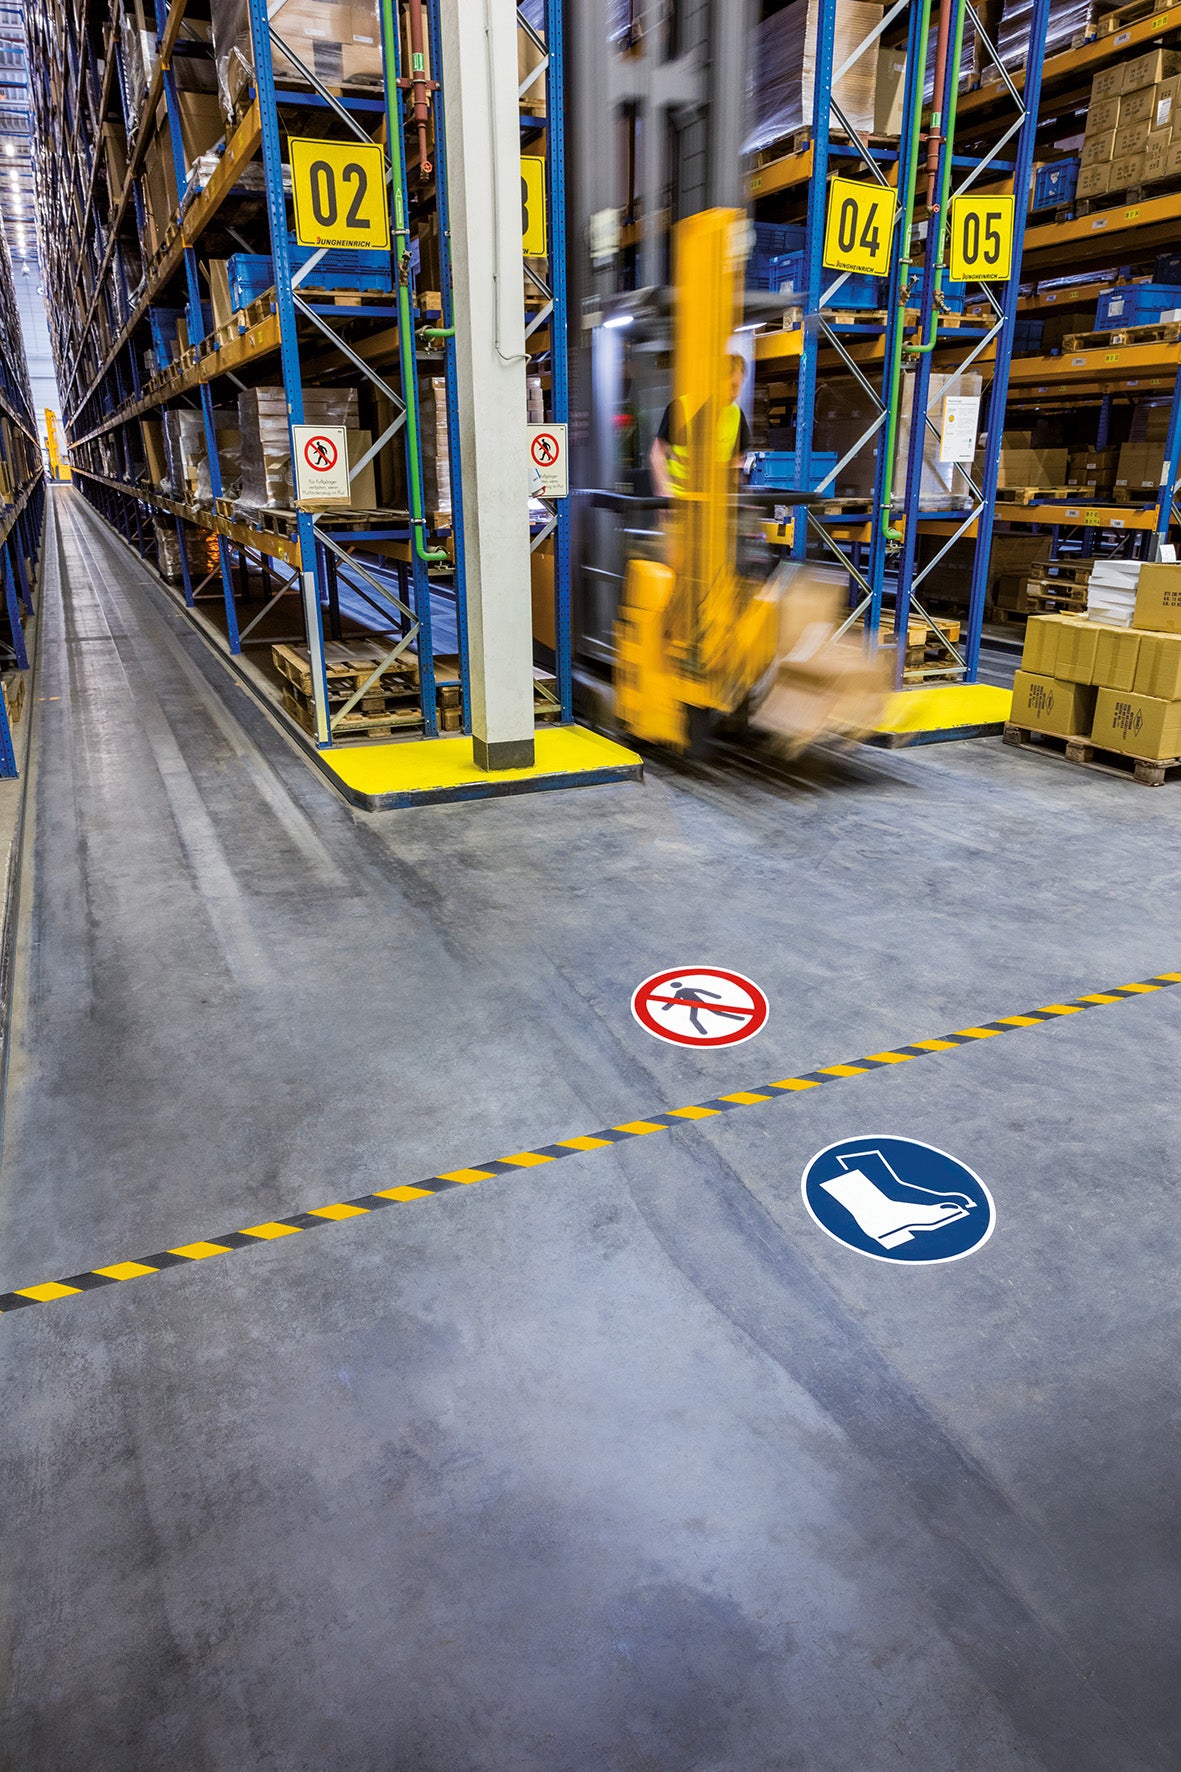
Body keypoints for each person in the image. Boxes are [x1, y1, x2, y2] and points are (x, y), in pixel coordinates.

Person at [648, 353, 753, 499]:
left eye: (739, 386)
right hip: (680, 500)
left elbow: (736, 461)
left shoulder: (736, 414)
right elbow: (657, 454)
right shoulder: (682, 408)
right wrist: (665, 493)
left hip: (714, 503)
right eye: (733, 386)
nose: (737, 393)